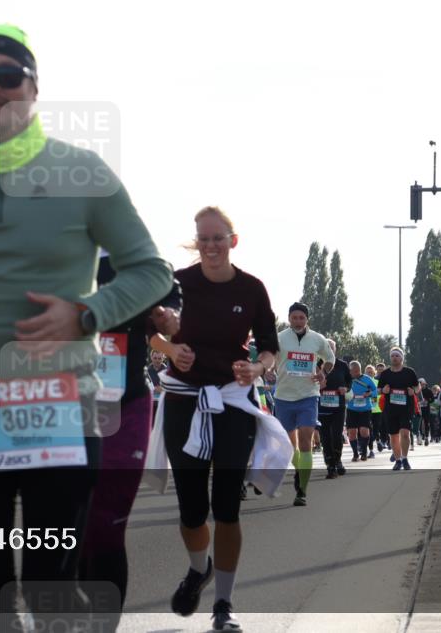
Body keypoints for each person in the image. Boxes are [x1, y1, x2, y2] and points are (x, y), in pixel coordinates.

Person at [0, 23, 173, 632]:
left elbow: (151, 271)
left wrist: (86, 312)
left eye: (6, 75)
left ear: (34, 86)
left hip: (59, 400)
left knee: (52, 580)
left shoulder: (84, 173)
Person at [154, 206, 286, 631]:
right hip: (183, 402)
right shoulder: (177, 283)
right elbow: (145, 328)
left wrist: (258, 368)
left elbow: (268, 345)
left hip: (231, 402)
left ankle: (223, 606)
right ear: (197, 242)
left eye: (218, 237)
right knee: (192, 510)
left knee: (227, 506)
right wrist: (171, 350)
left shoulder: (252, 289)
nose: (211, 246)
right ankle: (199, 569)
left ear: (233, 240)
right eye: (203, 238)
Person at [79, 250, 180, 631]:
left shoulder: (143, 264)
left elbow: (172, 312)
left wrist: (169, 318)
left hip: (126, 405)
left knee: (107, 521)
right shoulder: (51, 255)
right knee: (74, 525)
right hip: (68, 407)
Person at [273, 302, 335, 506]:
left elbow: (330, 358)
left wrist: (322, 372)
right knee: (291, 447)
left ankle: (302, 491)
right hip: (283, 397)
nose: (298, 321)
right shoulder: (279, 338)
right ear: (289, 318)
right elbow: (268, 358)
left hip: (308, 396)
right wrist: (266, 370)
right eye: (294, 317)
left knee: (306, 440)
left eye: (302, 317)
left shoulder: (317, 339)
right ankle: (300, 470)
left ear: (307, 319)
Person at [377, 349, 420, 470]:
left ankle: (405, 458)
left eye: (397, 356)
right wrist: (383, 391)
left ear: (401, 358)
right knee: (394, 436)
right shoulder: (385, 374)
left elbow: (417, 388)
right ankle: (398, 460)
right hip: (391, 409)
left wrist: (414, 392)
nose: (394, 358)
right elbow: (379, 390)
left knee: (405, 434)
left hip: (406, 408)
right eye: (392, 356)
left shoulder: (409, 372)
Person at [317, 339, 351, 479]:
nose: (329, 350)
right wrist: (317, 387)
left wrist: (346, 388)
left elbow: (349, 381)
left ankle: (337, 460)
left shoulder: (342, 365)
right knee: (325, 437)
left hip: (338, 406)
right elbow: (308, 381)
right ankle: (330, 465)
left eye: (332, 348)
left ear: (335, 350)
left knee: (336, 436)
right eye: (327, 347)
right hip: (322, 406)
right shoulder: (317, 364)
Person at [346, 361, 376, 462]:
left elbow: (376, 390)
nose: (352, 373)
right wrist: (348, 395)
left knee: (364, 431)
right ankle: (355, 454)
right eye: (351, 371)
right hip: (351, 409)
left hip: (365, 409)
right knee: (352, 433)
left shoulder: (367, 379)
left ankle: (364, 452)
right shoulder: (348, 380)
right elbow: (343, 390)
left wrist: (369, 394)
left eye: (354, 371)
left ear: (358, 370)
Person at [366, 364, 384, 457]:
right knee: (369, 429)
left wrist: (372, 394)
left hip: (377, 409)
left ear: (374, 373)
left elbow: (380, 393)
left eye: (371, 372)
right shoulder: (363, 382)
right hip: (366, 409)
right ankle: (371, 450)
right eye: (367, 372)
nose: (369, 374)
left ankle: (378, 440)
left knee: (375, 429)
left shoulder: (377, 382)